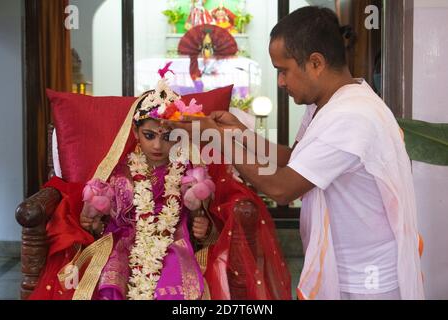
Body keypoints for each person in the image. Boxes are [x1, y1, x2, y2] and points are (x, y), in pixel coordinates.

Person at [171, 7, 424, 300]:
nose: (280, 82)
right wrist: (239, 133)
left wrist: (217, 139)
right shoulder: (328, 103)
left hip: (368, 281)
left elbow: (282, 188)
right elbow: (296, 160)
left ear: (315, 62)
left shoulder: (353, 115)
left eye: (283, 70)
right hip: (348, 271)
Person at [29, 67, 291, 300]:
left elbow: (207, 223)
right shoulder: (121, 173)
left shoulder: (191, 173)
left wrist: (205, 228)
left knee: (175, 287)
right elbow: (101, 225)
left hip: (174, 245)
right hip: (122, 249)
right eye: (149, 135)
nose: (157, 145)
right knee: (109, 283)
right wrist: (93, 222)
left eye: (167, 136)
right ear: (135, 133)